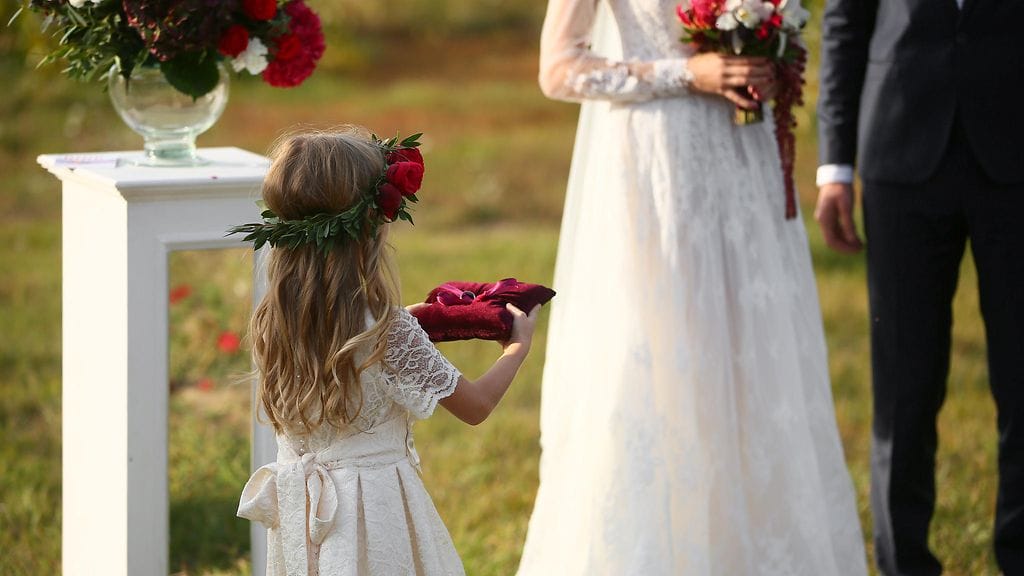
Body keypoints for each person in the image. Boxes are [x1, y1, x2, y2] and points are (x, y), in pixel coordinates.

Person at [516, 1, 868, 574]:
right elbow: (557, 69)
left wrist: (765, 61)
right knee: (662, 349)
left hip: (743, 161)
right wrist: (688, 74)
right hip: (658, 165)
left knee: (752, 354)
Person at [232, 128, 540, 576]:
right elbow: (475, 407)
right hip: (375, 516)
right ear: (372, 229)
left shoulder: (275, 318)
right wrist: (517, 347)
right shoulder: (388, 332)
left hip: (307, 518)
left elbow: (353, 341)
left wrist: (409, 319)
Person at [816, 0, 1024, 574]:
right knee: (904, 390)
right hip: (899, 155)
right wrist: (835, 166)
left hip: (1015, 161)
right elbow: (844, 26)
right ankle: (903, 563)